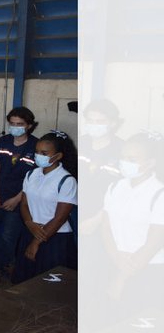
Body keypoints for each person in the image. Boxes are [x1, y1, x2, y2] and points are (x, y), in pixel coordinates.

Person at [81, 132, 164, 328]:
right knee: (110, 320)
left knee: (138, 320)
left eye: (132, 159)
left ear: (151, 163)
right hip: (115, 261)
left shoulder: (159, 193)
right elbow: (107, 227)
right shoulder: (115, 187)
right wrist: (116, 259)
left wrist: (121, 277)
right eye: (123, 158)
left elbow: (154, 242)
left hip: (147, 269)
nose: (124, 163)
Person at [0, 107, 39, 291]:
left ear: (29, 125)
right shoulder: (3, 142)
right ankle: (11, 262)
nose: (15, 127)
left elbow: (35, 179)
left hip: (20, 199)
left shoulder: (36, 146)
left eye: (20, 124)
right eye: (12, 123)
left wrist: (17, 199)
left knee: (8, 237)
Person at [13, 131, 77, 284]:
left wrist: (36, 242)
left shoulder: (67, 180)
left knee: (48, 284)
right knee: (25, 280)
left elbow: (60, 218)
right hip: (31, 231)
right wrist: (30, 224)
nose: (38, 156)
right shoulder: (31, 174)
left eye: (44, 153)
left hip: (54, 238)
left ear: (58, 156)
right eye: (37, 152)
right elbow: (24, 204)